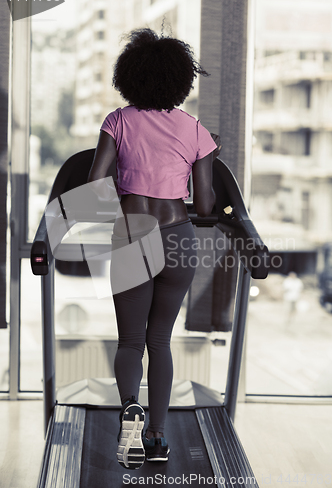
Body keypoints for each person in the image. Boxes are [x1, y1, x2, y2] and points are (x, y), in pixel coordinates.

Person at [87, 28, 221, 469]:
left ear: (131, 76)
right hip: (178, 235)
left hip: (132, 233)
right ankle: (158, 436)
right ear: (181, 80)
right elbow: (203, 204)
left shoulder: (118, 121)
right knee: (159, 340)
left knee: (130, 342)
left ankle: (130, 406)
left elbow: (94, 187)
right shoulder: (196, 130)